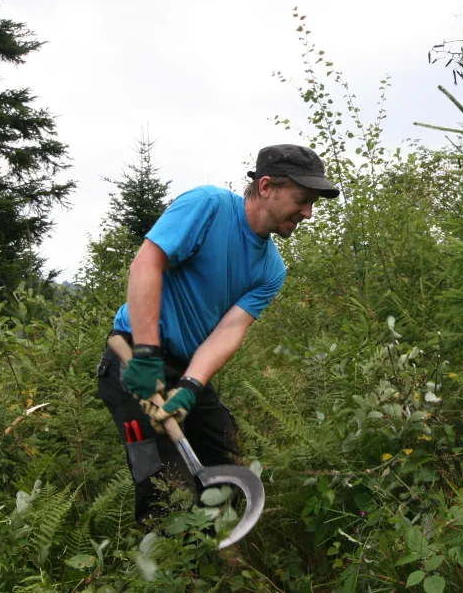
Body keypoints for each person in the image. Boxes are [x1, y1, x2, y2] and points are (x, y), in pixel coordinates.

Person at [94, 144, 340, 523]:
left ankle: (217, 557)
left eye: (312, 204)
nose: (308, 212)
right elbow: (146, 264)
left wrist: (192, 385)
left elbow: (230, 329)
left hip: (188, 365)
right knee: (162, 482)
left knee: (227, 455)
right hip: (132, 360)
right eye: (301, 199)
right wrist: (145, 354)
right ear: (266, 186)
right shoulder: (208, 206)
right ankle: (165, 573)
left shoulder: (272, 270)